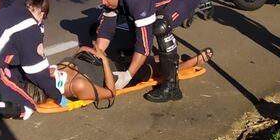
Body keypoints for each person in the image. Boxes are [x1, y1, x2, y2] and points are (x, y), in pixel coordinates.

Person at [93, 0, 207, 103]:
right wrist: (96, 55)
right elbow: (106, 29)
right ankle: (148, 55)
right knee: (133, 15)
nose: (103, 2)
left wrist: (128, 75)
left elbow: (144, 46)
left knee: (160, 27)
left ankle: (172, 88)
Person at [23, 45, 213, 106]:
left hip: (112, 62)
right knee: (160, 70)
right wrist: (104, 61)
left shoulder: (55, 73)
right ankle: (193, 62)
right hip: (120, 75)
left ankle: (173, 60)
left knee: (154, 59)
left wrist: (83, 51)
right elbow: (110, 93)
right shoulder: (77, 86)